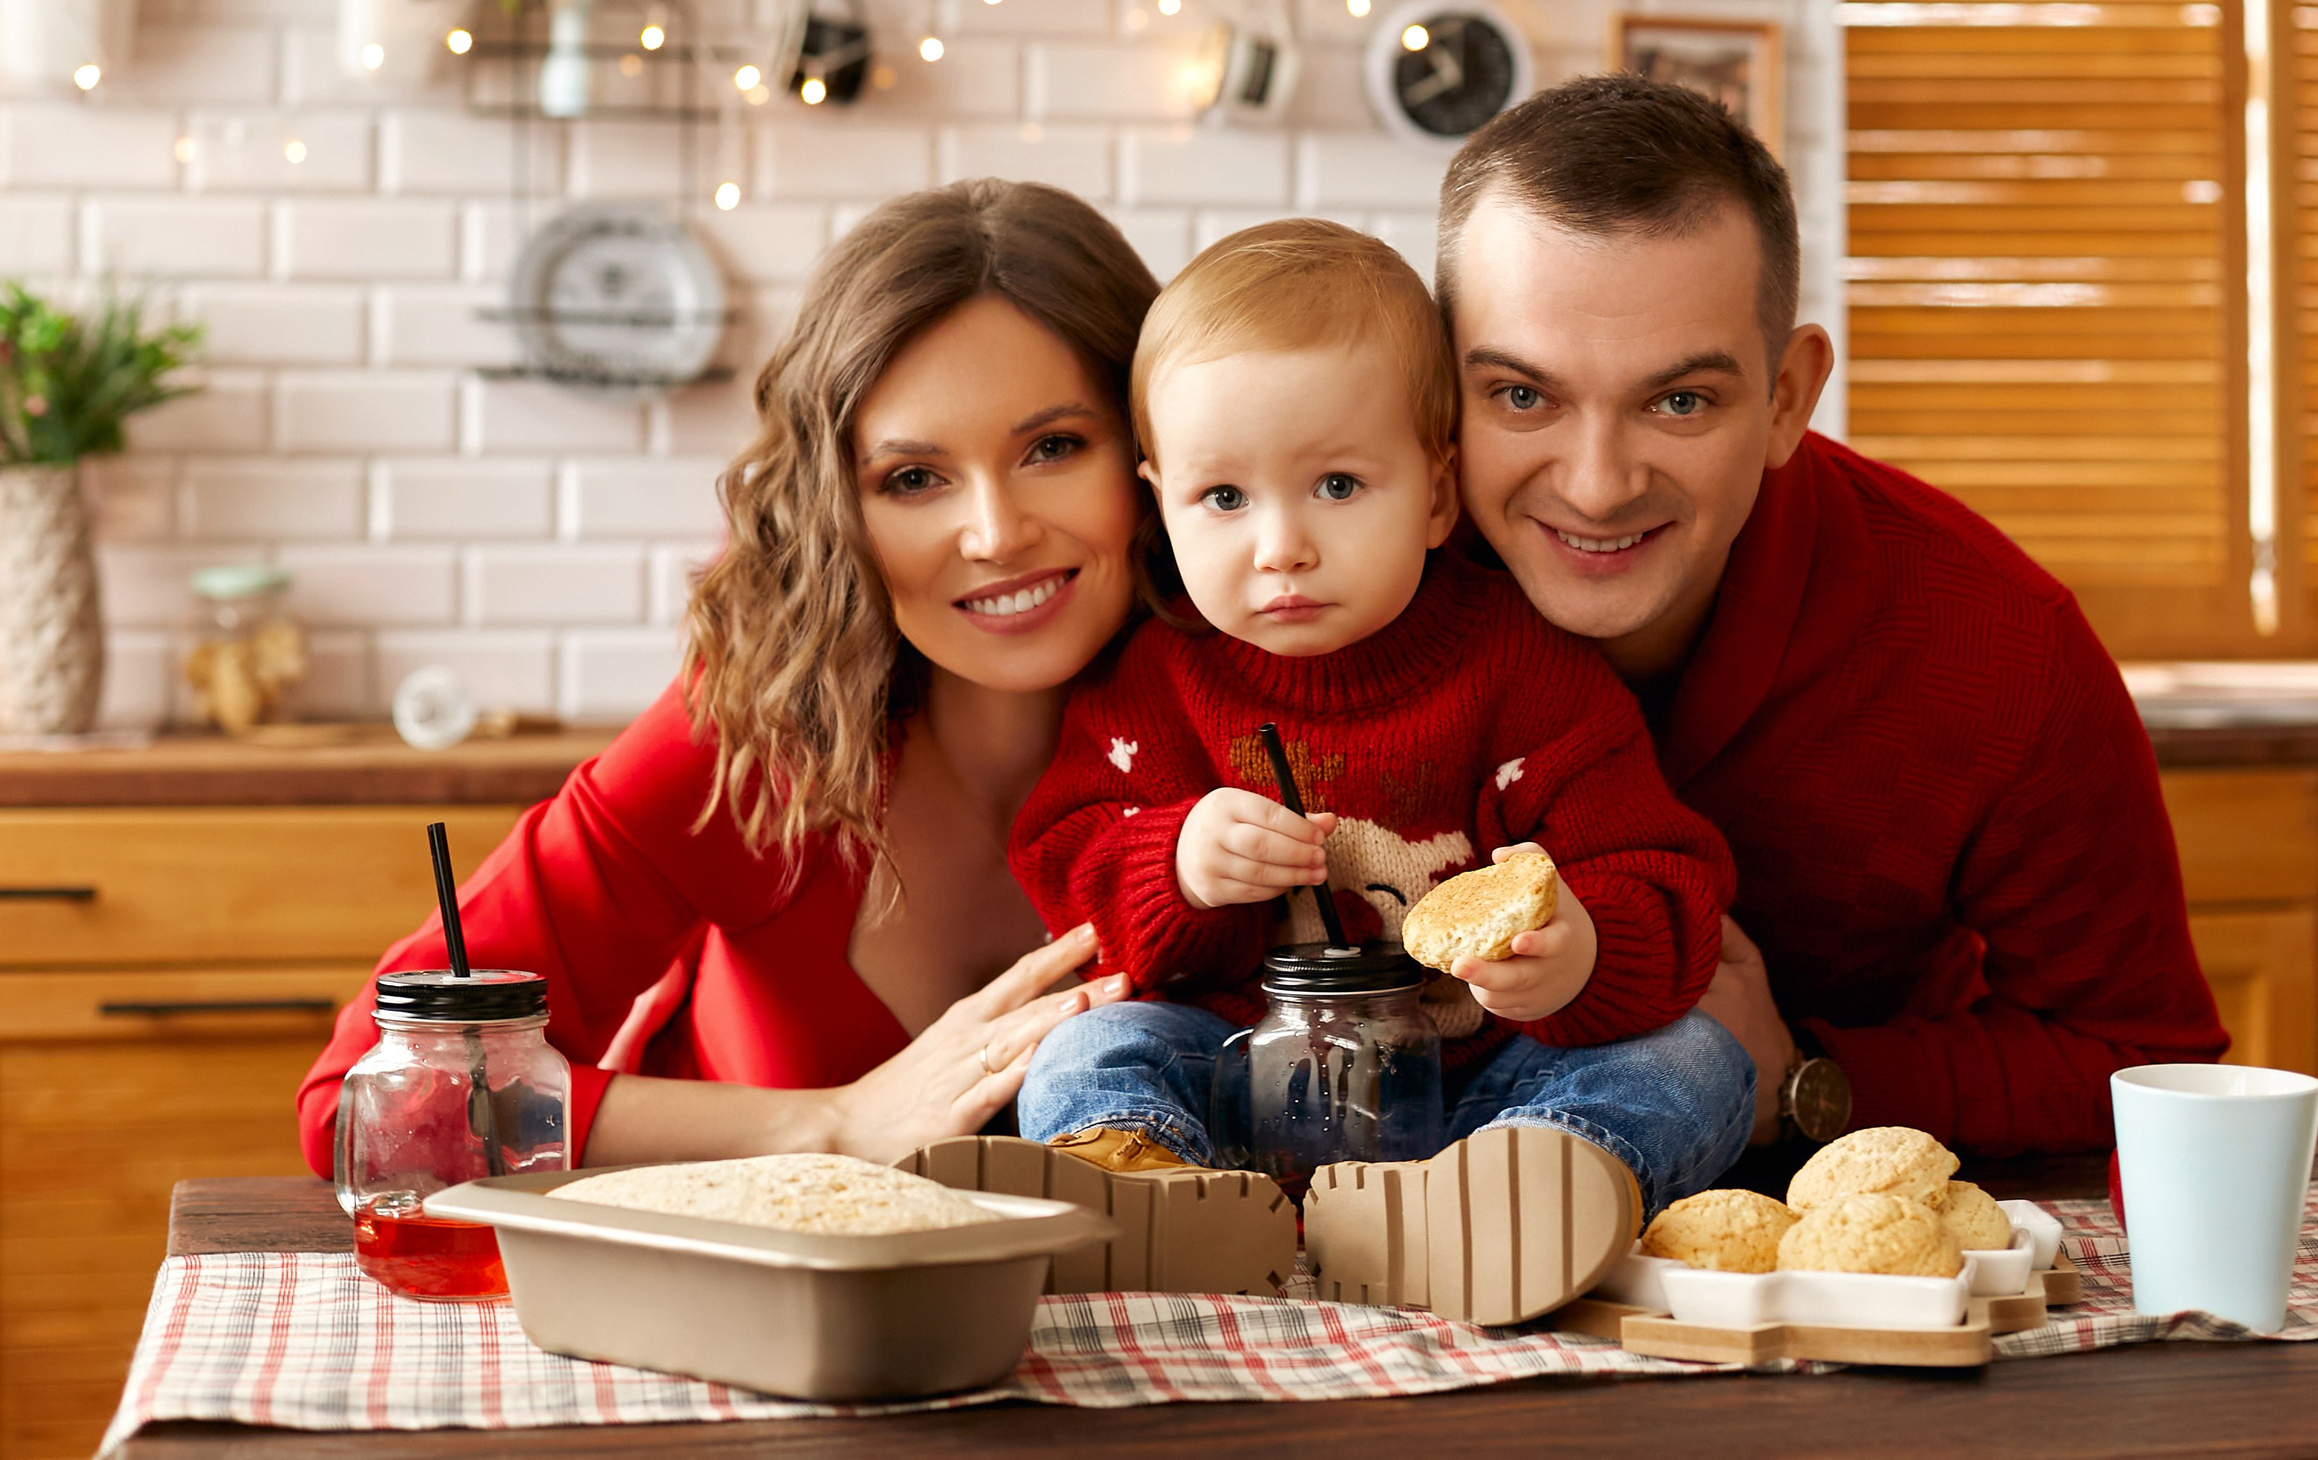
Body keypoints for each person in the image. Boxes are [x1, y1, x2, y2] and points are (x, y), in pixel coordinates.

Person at [298, 180, 1172, 1191]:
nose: (994, 533)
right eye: (912, 479)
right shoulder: (750, 741)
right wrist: (834, 1124)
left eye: (1053, 448)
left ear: (1156, 451)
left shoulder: (1279, 725)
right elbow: (365, 1102)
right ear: (833, 503)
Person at [1438, 75, 2229, 1158]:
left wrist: (1812, 1081)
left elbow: (2150, 1059)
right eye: (1523, 396)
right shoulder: (1331, 589)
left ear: (1785, 398)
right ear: (1443, 392)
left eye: (1679, 402)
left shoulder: (1998, 646)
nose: (1597, 485)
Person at [1005, 220, 1754, 1324]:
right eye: (1224, 499)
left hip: (1488, 1093)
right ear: (1158, 498)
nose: (1280, 547)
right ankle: (1145, 1194)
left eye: (1339, 486)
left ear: (1438, 493)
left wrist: (1581, 951)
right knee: (1086, 1046)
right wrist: (1176, 864)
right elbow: (1065, 865)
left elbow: (1658, 867)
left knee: (1698, 1057)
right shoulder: (1153, 685)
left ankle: (1525, 1194)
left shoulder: (1525, 671)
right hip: (1239, 1089)